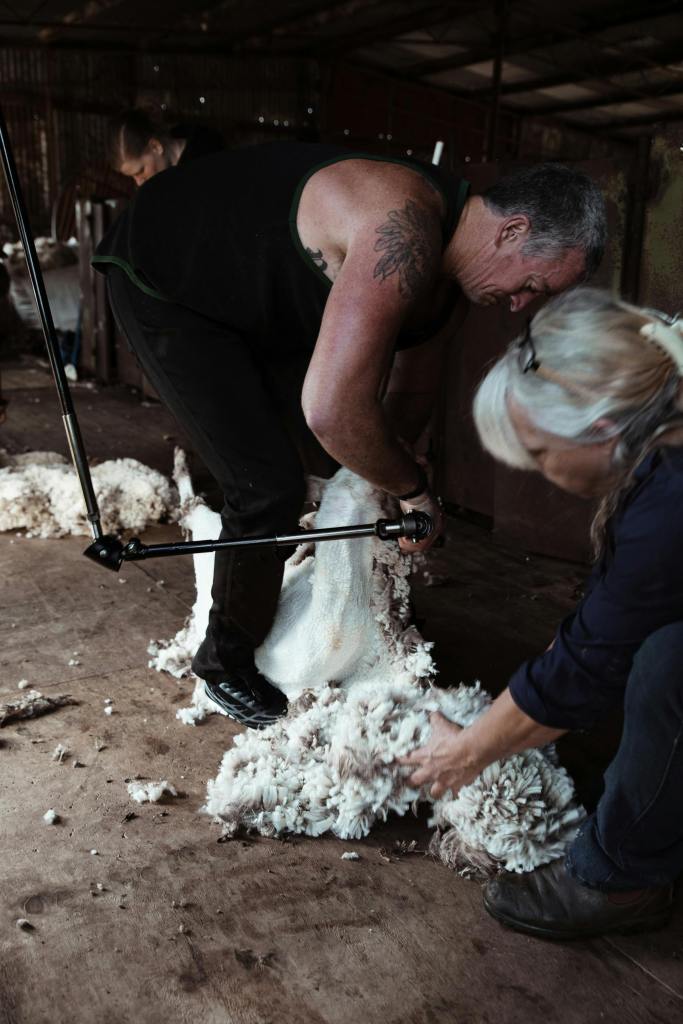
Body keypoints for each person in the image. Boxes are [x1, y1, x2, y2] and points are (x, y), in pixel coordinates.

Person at [92, 143, 605, 728]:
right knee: (266, 484)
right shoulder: (405, 229)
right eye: (533, 284)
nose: (519, 305)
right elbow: (333, 411)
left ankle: (297, 600)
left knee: (324, 469)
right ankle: (223, 664)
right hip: (169, 272)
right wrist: (413, 490)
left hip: (255, 300)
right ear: (513, 231)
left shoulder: (449, 290)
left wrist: (378, 479)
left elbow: (409, 395)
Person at [402, 287, 682, 939]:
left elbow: (589, 664)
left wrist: (466, 752)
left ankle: (619, 881)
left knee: (666, 664)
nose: (536, 468)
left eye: (539, 451)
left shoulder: (670, 502)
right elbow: (609, 619)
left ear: (602, 426)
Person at [110, 107, 223, 186]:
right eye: (133, 177)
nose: (139, 182)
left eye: (141, 171)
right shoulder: (164, 182)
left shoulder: (208, 161)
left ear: (155, 146)